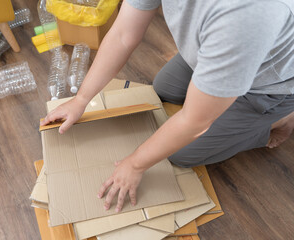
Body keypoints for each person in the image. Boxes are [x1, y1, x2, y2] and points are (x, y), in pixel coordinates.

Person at [41, 0, 294, 213]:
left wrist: (136, 163)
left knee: (182, 155)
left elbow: (195, 122)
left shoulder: (247, 17)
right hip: (214, 50)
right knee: (163, 89)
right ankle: (219, 84)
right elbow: (122, 35)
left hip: (269, 84)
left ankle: (278, 119)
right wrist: (82, 99)